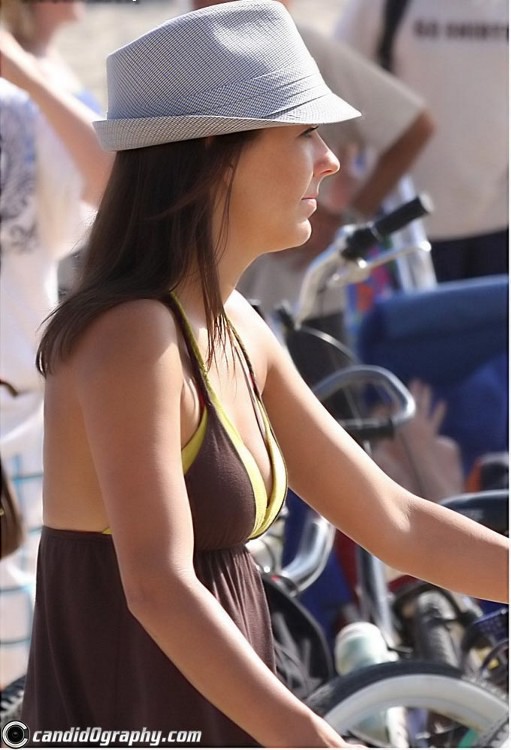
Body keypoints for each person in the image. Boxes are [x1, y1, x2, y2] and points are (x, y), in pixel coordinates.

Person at [21, 2, 507, 747]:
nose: (331, 159)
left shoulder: (238, 323)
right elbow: (157, 587)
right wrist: (312, 739)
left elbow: (396, 522)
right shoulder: (133, 336)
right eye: (304, 132)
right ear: (215, 152)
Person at [0, 15, 112, 687]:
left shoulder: (17, 110)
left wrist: (21, 69)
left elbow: (113, 180)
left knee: (27, 671)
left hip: (18, 428)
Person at [335, 0, 508, 283]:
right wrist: (344, 208)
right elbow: (336, 92)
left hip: (500, 224)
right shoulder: (380, 5)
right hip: (402, 229)